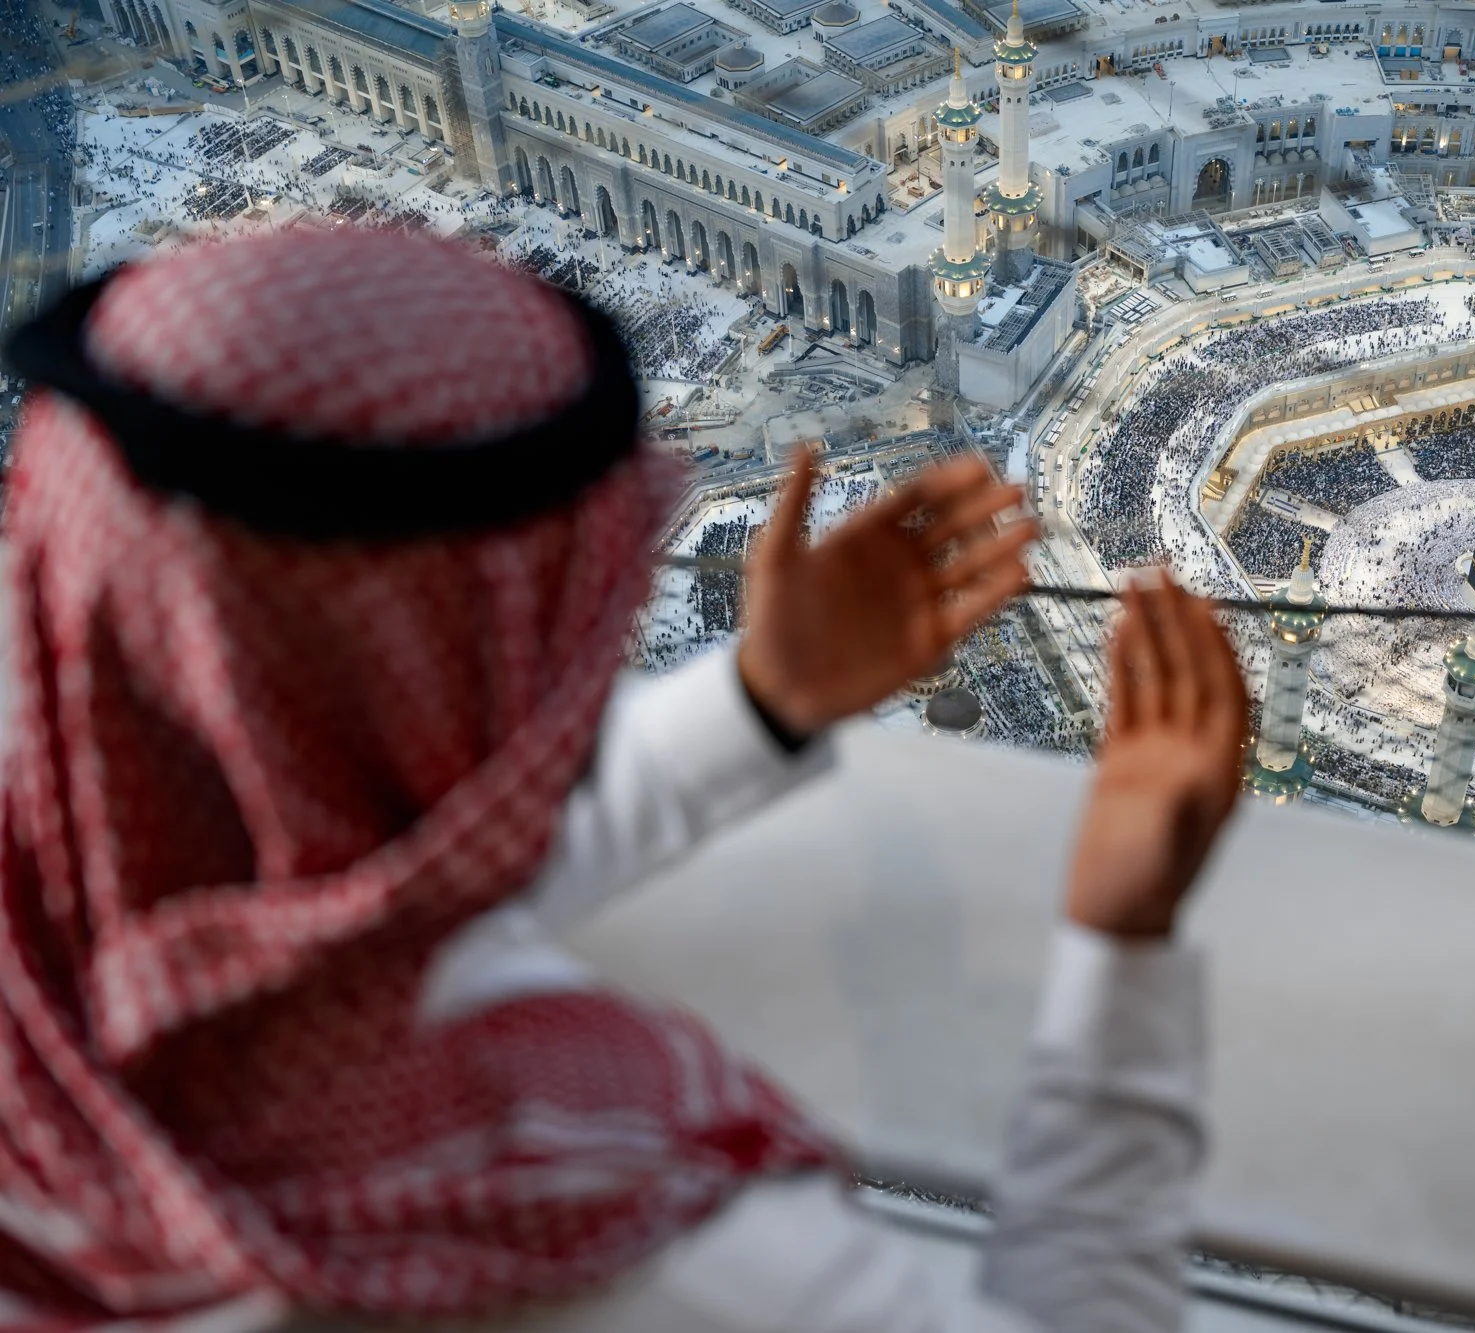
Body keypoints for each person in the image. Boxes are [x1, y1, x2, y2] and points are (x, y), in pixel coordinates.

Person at [0, 228, 1250, 1331]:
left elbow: (347, 911)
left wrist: (759, 704)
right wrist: (1121, 939)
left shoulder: (57, 919)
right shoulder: (593, 1243)